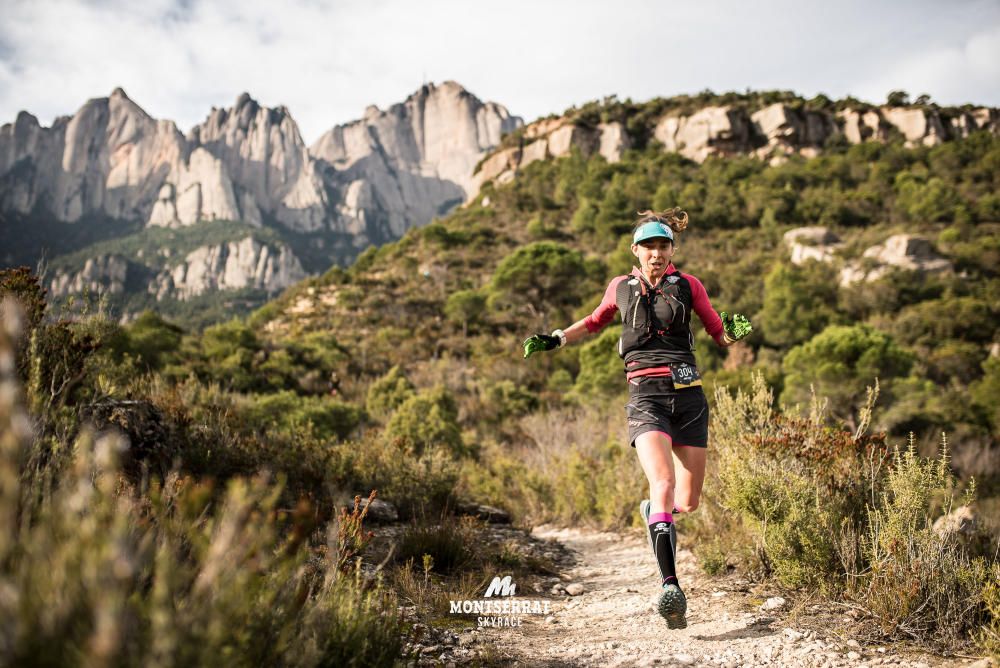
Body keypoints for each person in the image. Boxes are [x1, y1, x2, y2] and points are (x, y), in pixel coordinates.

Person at [522, 208, 752, 629]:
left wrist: (734, 333)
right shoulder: (620, 287)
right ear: (636, 251)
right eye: (649, 247)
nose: (657, 253)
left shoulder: (689, 286)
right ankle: (670, 586)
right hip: (645, 397)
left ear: (671, 251)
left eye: (664, 246)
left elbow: (718, 333)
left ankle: (655, 513)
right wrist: (555, 338)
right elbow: (593, 322)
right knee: (661, 481)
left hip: (688, 398)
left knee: (687, 501)